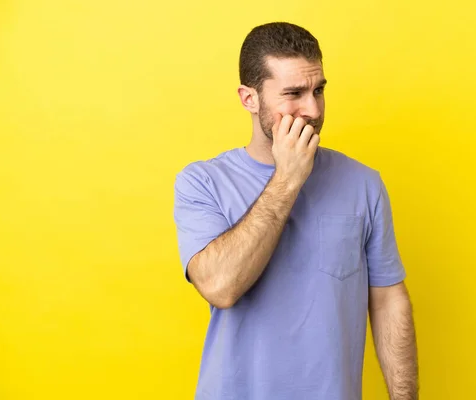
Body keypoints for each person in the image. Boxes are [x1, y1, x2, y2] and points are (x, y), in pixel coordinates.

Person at [173, 21, 418, 400]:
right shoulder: (202, 182)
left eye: (319, 90)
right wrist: (287, 179)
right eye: (294, 93)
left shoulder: (364, 183)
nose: (313, 109)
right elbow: (220, 287)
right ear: (248, 98)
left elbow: (388, 300)